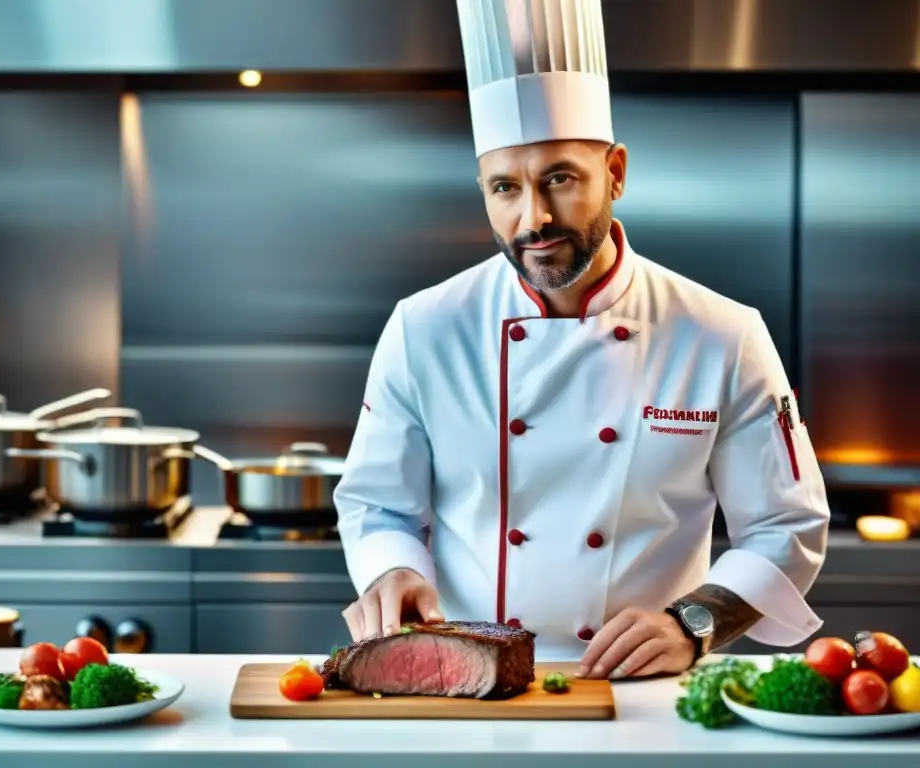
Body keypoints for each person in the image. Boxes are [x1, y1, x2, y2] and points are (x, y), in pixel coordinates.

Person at [333, 0, 830, 678]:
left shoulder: (721, 333)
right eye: (504, 188)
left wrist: (695, 622)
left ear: (616, 173)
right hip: (466, 686)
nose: (532, 218)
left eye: (559, 179)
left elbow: (786, 525)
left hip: (645, 692)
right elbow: (377, 503)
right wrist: (391, 570)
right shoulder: (423, 329)